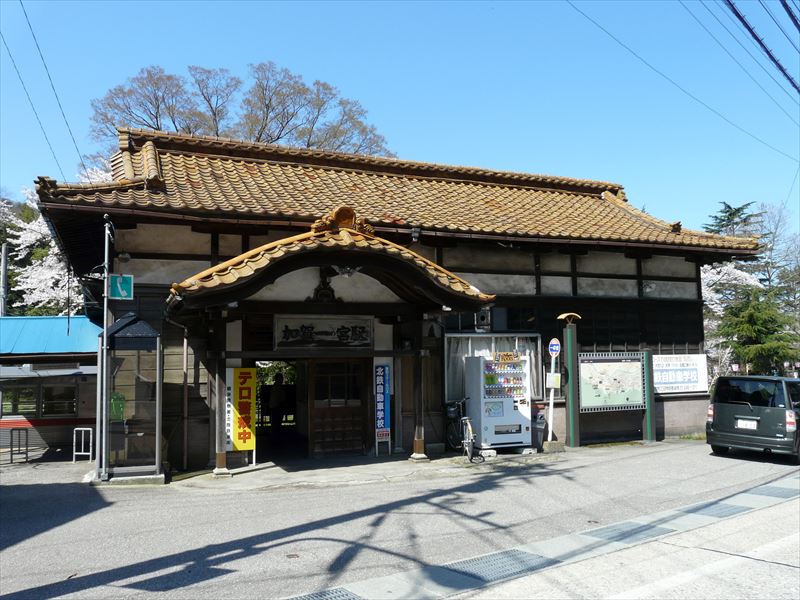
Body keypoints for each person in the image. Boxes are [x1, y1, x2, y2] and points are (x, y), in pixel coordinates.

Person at [270, 373, 286, 440]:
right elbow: (278, 398)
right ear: (278, 379)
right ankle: (275, 439)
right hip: (276, 407)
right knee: (276, 424)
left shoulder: (276, 386)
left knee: (275, 424)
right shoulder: (277, 387)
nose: (282, 380)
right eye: (281, 378)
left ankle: (275, 438)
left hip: (275, 407)